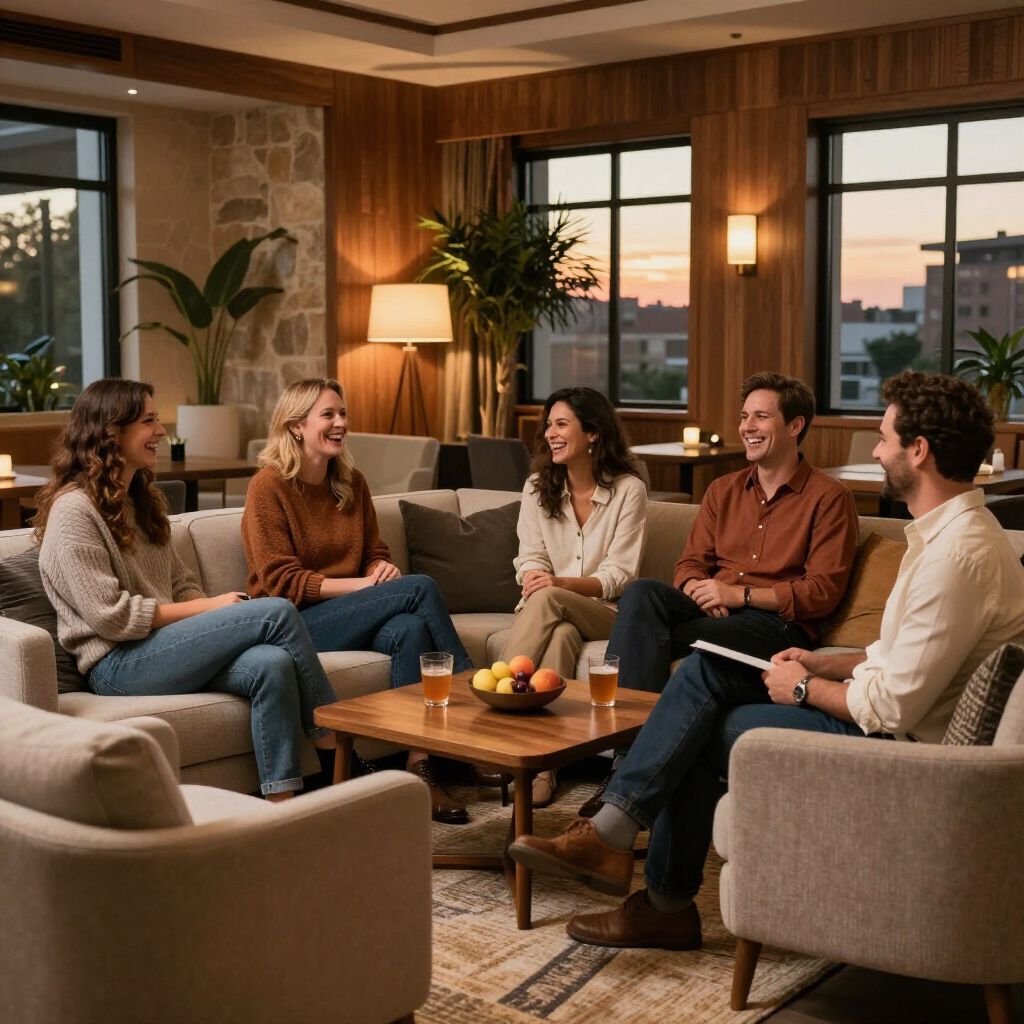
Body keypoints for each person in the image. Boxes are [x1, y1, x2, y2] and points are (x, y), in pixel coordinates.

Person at [509, 371, 1024, 951]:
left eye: (883, 438)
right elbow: (894, 657)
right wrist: (825, 664)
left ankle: (644, 873)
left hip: (905, 755)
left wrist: (801, 687)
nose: (876, 452)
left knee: (702, 708)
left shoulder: (957, 556)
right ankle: (633, 854)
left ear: (920, 451)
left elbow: (891, 704)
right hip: (878, 714)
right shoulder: (951, 540)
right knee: (694, 664)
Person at [35, 379, 336, 801]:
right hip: (117, 666)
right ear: (111, 432)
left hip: (163, 648)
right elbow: (113, 618)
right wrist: (213, 609)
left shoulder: (142, 500)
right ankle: (335, 748)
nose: (161, 431)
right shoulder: (74, 511)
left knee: (271, 663)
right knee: (276, 611)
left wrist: (206, 610)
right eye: (149, 421)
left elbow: (181, 584)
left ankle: (281, 805)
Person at [578, 370, 859, 816]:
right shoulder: (722, 490)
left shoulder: (829, 498)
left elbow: (821, 592)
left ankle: (625, 775)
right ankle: (624, 758)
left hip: (775, 628)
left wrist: (738, 596)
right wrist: (699, 589)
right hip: (713, 615)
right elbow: (689, 564)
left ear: (795, 426)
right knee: (642, 596)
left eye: (761, 417)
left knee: (649, 641)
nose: (747, 426)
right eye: (744, 416)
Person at [241, 377, 474, 824]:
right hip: (293, 624)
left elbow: (374, 553)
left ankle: (418, 766)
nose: (340, 423)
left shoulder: (351, 481)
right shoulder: (268, 487)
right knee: (420, 587)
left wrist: (378, 572)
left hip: (350, 611)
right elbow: (280, 581)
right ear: (296, 426)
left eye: (342, 414)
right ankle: (473, 703)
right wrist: (366, 588)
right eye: (328, 415)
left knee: (409, 629)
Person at [500, 387, 648, 807]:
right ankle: (542, 768)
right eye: (548, 424)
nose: (550, 433)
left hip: (609, 612)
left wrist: (555, 586)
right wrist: (536, 578)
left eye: (561, 424)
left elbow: (619, 575)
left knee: (549, 602)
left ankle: (493, 710)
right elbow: (529, 556)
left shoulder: (628, 491)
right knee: (562, 635)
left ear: (593, 434)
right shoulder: (536, 487)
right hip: (556, 609)